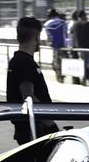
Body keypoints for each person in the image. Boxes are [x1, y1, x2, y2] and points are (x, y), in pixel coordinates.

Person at [6, 16, 58, 145]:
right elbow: (28, 97)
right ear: (36, 37)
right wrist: (50, 124)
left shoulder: (17, 60)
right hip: (34, 128)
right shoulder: (25, 63)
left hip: (29, 126)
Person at [71, 10, 89, 87]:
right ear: (84, 15)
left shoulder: (75, 25)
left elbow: (72, 36)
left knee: (82, 66)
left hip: (79, 49)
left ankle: (82, 82)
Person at [43, 8, 67, 81]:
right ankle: (62, 75)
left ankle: (58, 74)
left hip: (54, 45)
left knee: (55, 60)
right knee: (63, 59)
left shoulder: (47, 23)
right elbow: (66, 34)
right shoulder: (63, 22)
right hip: (63, 45)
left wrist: (48, 42)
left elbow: (47, 36)